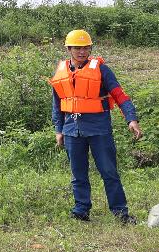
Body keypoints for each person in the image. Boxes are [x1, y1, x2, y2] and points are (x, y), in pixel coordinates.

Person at [50, 30, 142, 223]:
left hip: (99, 129)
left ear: (90, 49)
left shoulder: (102, 70)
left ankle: (120, 213)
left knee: (109, 172)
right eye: (77, 48)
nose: (82, 52)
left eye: (86, 48)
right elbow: (57, 104)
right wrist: (59, 129)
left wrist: (131, 119)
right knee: (78, 174)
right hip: (72, 130)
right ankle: (81, 210)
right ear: (68, 49)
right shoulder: (61, 71)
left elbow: (120, 95)